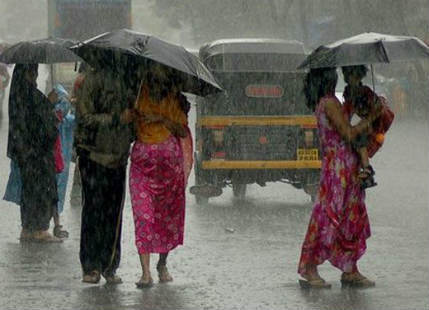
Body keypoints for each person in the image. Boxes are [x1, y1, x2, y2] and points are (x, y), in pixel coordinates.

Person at [297, 67, 381, 288]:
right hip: (338, 168)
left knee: (350, 217)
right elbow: (349, 133)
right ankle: (309, 266)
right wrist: (372, 118)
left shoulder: (329, 102)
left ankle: (350, 268)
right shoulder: (329, 103)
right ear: (328, 78)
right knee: (329, 216)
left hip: (345, 166)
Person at [75, 63, 134, 284]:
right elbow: (86, 118)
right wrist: (117, 118)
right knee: (92, 211)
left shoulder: (129, 81)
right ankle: (90, 266)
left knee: (113, 215)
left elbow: (132, 120)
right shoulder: (91, 81)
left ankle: (109, 265)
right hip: (93, 156)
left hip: (118, 158)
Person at [130, 66, 189, 288]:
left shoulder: (173, 101)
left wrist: (163, 119)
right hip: (142, 166)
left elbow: (182, 131)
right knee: (143, 216)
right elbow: (130, 124)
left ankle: (162, 263)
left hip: (169, 171)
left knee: (167, 218)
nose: (154, 84)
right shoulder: (136, 96)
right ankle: (145, 272)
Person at [6, 64, 61, 242]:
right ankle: (39, 228)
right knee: (42, 189)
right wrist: (49, 104)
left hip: (25, 153)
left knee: (29, 189)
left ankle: (28, 227)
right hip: (38, 154)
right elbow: (44, 126)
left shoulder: (18, 94)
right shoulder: (32, 96)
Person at [342, 65, 394, 189]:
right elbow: (350, 109)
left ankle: (366, 169)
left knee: (360, 143)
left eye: (352, 75)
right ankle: (362, 170)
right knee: (356, 144)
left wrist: (367, 120)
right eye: (347, 75)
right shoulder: (348, 91)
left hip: (368, 125)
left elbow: (377, 109)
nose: (349, 78)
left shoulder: (364, 91)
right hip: (357, 124)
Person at [52, 84, 75, 237]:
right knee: (55, 190)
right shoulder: (57, 118)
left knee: (57, 191)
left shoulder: (66, 121)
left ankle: (56, 222)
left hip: (60, 162)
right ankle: (55, 223)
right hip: (56, 161)